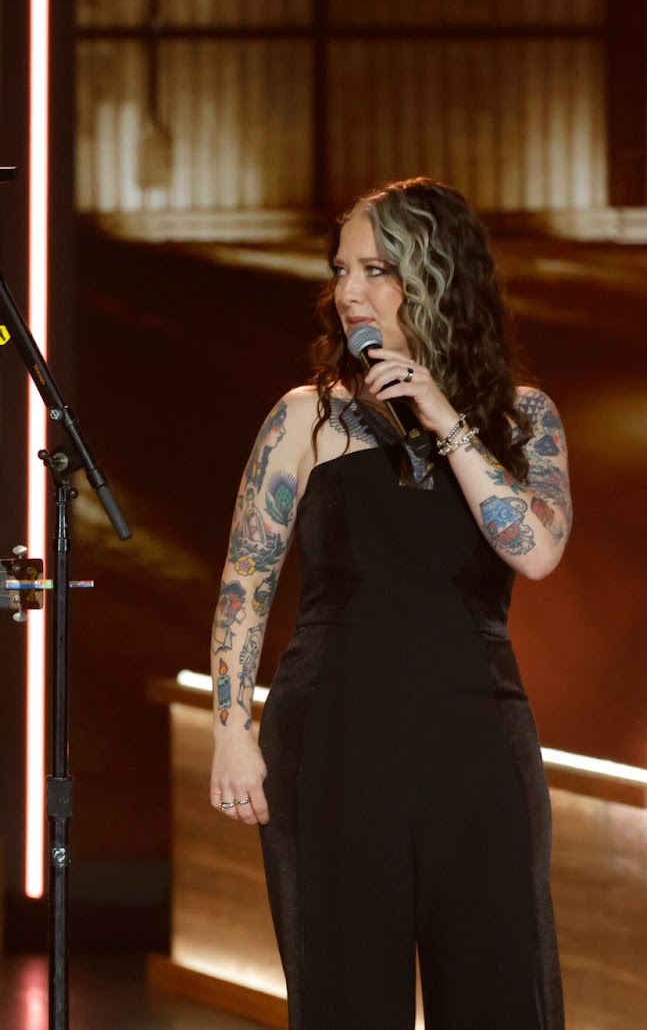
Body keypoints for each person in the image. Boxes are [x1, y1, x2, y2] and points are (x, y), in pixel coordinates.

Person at [206, 178, 572, 1028]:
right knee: (345, 1001)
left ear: (440, 274)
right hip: (331, 734)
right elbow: (245, 581)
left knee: (498, 992)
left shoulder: (523, 419)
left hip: (476, 735)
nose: (350, 291)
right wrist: (232, 728)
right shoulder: (306, 418)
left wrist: (445, 419)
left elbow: (538, 550)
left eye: (377, 268)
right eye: (341, 269)